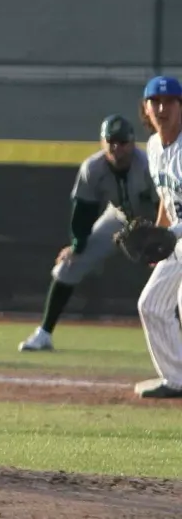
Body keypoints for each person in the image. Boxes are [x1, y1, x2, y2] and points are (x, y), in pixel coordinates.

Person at [18, 114, 158, 352]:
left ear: (132, 143)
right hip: (120, 217)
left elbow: (164, 204)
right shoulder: (93, 168)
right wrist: (77, 243)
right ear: (101, 142)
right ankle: (44, 334)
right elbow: (84, 209)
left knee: (173, 275)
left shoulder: (147, 165)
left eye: (122, 142)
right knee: (69, 264)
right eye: (111, 141)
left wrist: (157, 242)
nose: (116, 147)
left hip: (156, 221)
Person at [133, 75, 182, 398]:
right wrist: (158, 234)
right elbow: (166, 195)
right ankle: (176, 379)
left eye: (170, 102)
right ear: (145, 109)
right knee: (152, 304)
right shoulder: (153, 147)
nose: (162, 108)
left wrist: (169, 234)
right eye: (155, 102)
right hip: (176, 239)